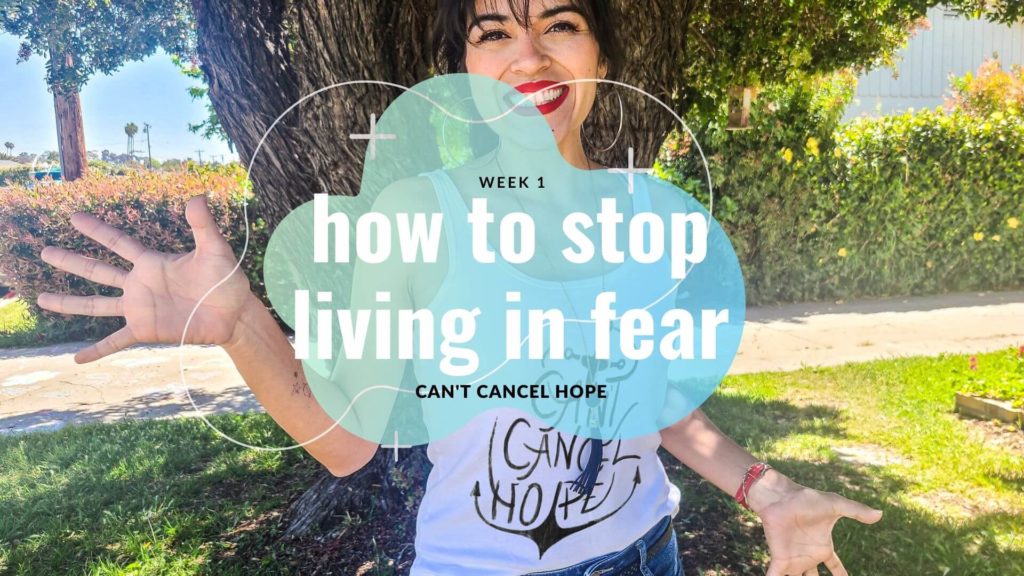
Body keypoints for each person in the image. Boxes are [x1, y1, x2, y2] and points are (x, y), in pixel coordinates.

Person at [36, 1, 883, 574]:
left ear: (602, 54)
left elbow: (650, 399)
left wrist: (766, 488)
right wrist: (238, 326)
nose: (529, 56)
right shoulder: (418, 217)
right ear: (463, 69)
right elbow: (348, 442)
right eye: (491, 34)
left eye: (560, 23)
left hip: (645, 550)